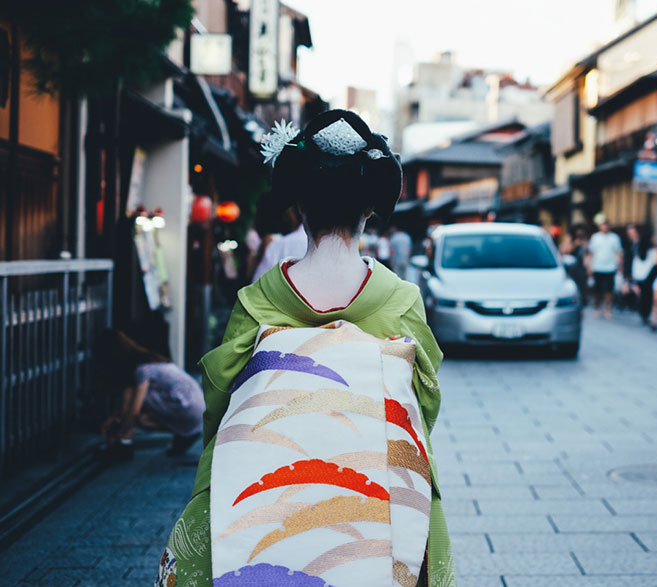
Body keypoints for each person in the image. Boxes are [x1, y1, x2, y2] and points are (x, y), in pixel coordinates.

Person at [156, 110, 455, 586]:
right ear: (369, 207)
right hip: (380, 506)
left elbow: (220, 409)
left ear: (299, 206)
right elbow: (422, 409)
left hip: (258, 508)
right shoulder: (401, 302)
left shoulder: (256, 303)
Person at [97, 329, 204, 460]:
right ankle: (185, 433)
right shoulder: (153, 362)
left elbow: (134, 409)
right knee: (140, 416)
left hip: (188, 409)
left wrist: (119, 430)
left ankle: (123, 441)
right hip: (198, 411)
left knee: (135, 400)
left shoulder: (142, 370)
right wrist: (115, 417)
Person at [251, 204, 308, 282]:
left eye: (286, 216)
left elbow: (258, 281)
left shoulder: (278, 244)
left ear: (292, 216)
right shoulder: (321, 245)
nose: (285, 219)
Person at [586, 213, 623, 319]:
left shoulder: (614, 238)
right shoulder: (595, 237)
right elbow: (591, 253)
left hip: (610, 267)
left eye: (606, 225)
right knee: (597, 291)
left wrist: (620, 266)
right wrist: (589, 266)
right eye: (603, 225)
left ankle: (607, 309)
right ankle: (597, 308)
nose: (605, 227)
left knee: (609, 290)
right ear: (600, 226)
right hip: (597, 267)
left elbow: (618, 253)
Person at [629, 227, 657, 325]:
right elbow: (655, 262)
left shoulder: (640, 249)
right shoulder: (652, 250)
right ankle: (645, 314)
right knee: (647, 297)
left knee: (643, 296)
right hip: (648, 276)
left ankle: (643, 314)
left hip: (640, 276)